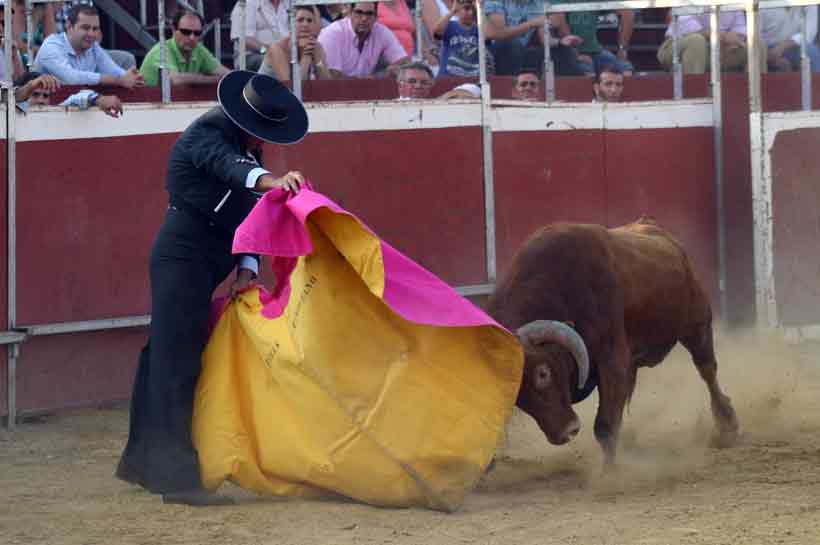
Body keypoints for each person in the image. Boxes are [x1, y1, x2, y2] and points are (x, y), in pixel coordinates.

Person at [115, 71, 309, 506]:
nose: (264, 142)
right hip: (182, 257)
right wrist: (271, 182)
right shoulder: (207, 132)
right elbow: (232, 170)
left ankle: (151, 465)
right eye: (260, 133)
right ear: (243, 121)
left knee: (171, 355)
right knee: (175, 359)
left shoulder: (242, 145)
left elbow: (250, 217)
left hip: (209, 257)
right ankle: (176, 480)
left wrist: (246, 266)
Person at [32, 3, 143, 87]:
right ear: (69, 26)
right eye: (85, 28)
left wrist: (132, 78)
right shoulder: (52, 45)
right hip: (40, 111)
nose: (91, 34)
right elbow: (72, 78)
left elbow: (113, 70)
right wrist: (118, 80)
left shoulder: (93, 47)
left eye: (95, 29)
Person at [483, 0, 583, 76]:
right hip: (492, 52)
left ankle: (578, 94)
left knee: (562, 51)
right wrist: (531, 24)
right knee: (512, 44)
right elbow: (497, 34)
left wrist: (560, 42)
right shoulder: (495, 2)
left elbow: (544, 40)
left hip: (523, 52)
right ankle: (510, 90)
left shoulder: (539, 2)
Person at [318, 1, 410, 78]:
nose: (364, 18)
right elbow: (332, 77)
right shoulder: (332, 33)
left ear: (376, 17)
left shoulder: (381, 31)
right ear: (350, 13)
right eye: (359, 12)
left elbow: (405, 64)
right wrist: (368, 79)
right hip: (333, 92)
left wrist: (384, 74)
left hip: (366, 91)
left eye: (369, 14)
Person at [657, 11, 767, 74]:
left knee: (757, 44)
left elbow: (741, 29)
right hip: (677, 45)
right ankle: (692, 97)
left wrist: (735, 39)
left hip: (718, 49)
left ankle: (755, 100)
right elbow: (688, 26)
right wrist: (722, 37)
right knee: (696, 41)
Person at [140, 10, 230, 86]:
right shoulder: (161, 50)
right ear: (173, 30)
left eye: (197, 33)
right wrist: (216, 80)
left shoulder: (198, 49)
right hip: (145, 104)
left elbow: (225, 73)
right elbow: (174, 80)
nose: (192, 37)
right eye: (186, 32)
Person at [550, 0, 633, 75]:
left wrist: (622, 48)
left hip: (596, 51)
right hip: (566, 54)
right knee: (588, 76)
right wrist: (575, 54)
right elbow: (560, 21)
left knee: (626, 70)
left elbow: (627, 12)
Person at [258, 5, 331, 80]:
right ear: (290, 26)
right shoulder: (277, 49)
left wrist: (318, 61)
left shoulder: (316, 47)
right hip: (262, 91)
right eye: (300, 20)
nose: (305, 24)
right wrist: (306, 56)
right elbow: (290, 88)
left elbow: (327, 85)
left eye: (309, 20)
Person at [14, 69, 123, 116]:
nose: (41, 100)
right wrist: (31, 85)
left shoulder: (53, 115)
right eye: (35, 94)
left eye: (45, 96)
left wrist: (98, 99)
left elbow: (75, 99)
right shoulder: (13, 111)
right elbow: (16, 99)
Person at [433, 0, 493, 77]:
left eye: (470, 8)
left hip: (472, 78)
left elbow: (488, 35)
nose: (467, 12)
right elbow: (436, 33)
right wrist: (453, 11)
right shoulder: (450, 25)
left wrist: (480, 8)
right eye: (465, 8)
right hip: (448, 76)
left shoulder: (479, 29)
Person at [230, 0, 291, 72]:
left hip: (286, 53)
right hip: (253, 55)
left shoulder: (290, 3)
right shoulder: (247, 3)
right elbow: (243, 39)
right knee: (275, 62)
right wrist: (270, 51)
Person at [760, 6, 820, 72]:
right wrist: (770, 55)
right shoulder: (763, 2)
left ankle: (815, 82)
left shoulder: (810, 2)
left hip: (794, 46)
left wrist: (781, 47)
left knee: (811, 53)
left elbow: (809, 33)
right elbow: (752, 37)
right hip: (767, 48)